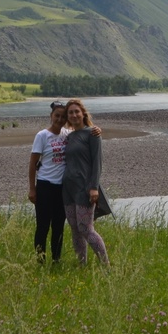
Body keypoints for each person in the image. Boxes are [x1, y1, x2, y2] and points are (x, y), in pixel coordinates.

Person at [61, 98, 110, 265]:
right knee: (75, 229)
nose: (74, 115)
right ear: (67, 117)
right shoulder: (69, 136)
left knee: (86, 229)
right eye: (70, 113)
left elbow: (97, 162)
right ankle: (82, 265)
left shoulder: (92, 134)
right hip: (68, 189)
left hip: (84, 188)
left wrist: (94, 187)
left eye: (77, 111)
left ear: (83, 114)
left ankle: (106, 265)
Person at [28, 101, 69, 264]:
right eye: (57, 115)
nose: (60, 119)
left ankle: (56, 260)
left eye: (63, 116)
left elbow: (83, 130)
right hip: (45, 186)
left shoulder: (67, 133)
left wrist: (96, 130)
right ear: (51, 116)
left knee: (59, 226)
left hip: (62, 189)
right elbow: (32, 164)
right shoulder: (42, 136)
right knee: (43, 226)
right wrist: (32, 189)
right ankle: (40, 260)